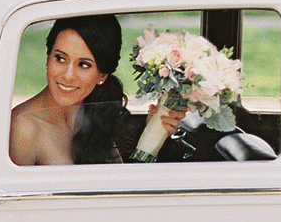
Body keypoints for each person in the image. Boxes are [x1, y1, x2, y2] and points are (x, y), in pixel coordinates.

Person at [10, 14, 184, 165]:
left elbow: (117, 185)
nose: (68, 75)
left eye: (84, 65)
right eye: (60, 59)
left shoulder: (95, 111)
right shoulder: (24, 128)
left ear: (102, 76)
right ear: (48, 59)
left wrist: (153, 133)